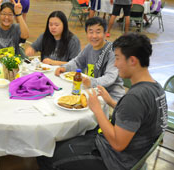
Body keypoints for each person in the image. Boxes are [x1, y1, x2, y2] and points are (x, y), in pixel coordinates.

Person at [38, 32, 167, 170]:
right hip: (134, 153)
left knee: (46, 153)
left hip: (114, 160)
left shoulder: (135, 97)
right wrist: (111, 102)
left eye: (117, 58)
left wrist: (97, 109)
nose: (115, 64)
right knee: (70, 138)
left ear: (133, 61)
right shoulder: (156, 87)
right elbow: (136, 118)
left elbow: (118, 143)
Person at [55, 17, 125, 101]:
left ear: (105, 33)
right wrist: (64, 67)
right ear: (86, 34)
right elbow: (77, 62)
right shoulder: (89, 47)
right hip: (94, 92)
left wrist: (91, 82)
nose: (94, 36)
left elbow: (110, 77)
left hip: (112, 98)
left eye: (98, 32)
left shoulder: (112, 51)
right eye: (91, 32)